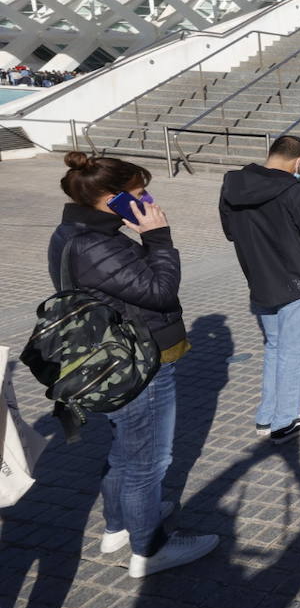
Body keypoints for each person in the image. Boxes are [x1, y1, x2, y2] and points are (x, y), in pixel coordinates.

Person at [50, 152, 219, 576]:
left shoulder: (76, 229)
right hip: (139, 361)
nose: (150, 199)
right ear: (111, 199)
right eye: (140, 193)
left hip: (114, 356)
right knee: (149, 461)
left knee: (126, 451)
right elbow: (159, 291)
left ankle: (120, 525)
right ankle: (150, 549)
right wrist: (158, 237)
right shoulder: (95, 243)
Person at [219, 134, 300, 442]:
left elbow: (231, 231)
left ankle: (267, 416)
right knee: (293, 352)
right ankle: (285, 421)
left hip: (259, 277)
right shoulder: (297, 192)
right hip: (297, 280)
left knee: (275, 347)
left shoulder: (233, 183)